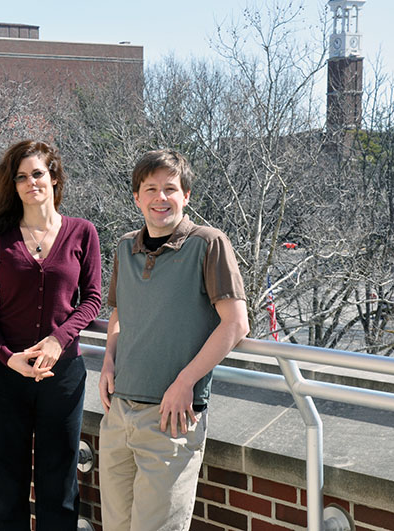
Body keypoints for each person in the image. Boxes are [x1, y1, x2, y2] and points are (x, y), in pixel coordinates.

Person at [98, 149, 249, 531]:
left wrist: (186, 382)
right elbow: (120, 314)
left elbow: (235, 324)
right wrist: (108, 360)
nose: (159, 198)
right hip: (119, 413)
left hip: (172, 419)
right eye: (150, 189)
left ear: (186, 195)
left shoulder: (209, 244)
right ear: (136, 197)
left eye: (170, 188)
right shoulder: (124, 246)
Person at [0, 140, 102, 530]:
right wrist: (8, 355)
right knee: (7, 485)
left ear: (54, 176)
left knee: (59, 483)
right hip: (6, 376)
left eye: (38, 174)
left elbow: (93, 298)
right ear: (12, 185)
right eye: (22, 177)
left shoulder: (83, 233)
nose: (31, 183)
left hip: (62, 378)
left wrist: (58, 339)